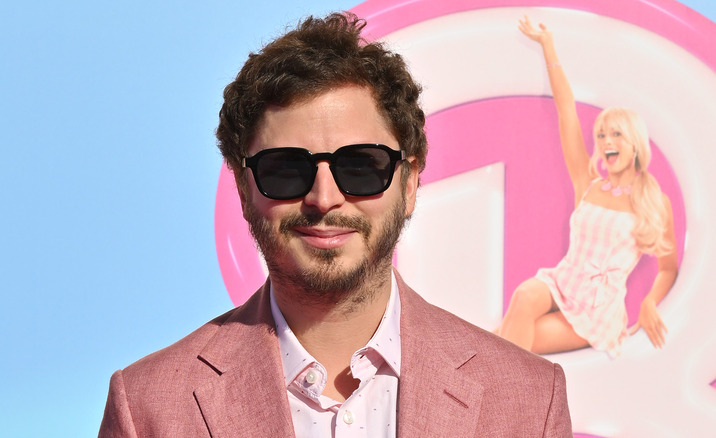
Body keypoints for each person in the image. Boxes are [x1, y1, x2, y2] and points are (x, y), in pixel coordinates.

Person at [98, 12, 572, 437]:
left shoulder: (529, 401)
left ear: (409, 182)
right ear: (244, 190)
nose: (324, 198)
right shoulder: (147, 409)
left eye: (361, 166)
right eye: (285, 169)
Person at [496, 16, 679, 358]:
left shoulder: (654, 201)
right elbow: (566, 111)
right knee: (522, 297)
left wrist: (649, 303)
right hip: (561, 283)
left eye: (616, 134)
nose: (606, 141)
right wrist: (548, 45)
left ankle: (498, 406)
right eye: (601, 135)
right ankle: (504, 406)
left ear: (635, 143)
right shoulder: (589, 184)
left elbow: (668, 268)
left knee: (498, 341)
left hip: (597, 310)